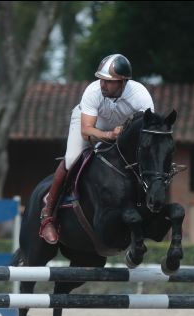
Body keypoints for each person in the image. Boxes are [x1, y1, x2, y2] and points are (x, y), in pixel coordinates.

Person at [39, 53, 155, 244]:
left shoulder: (140, 96)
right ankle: (48, 214)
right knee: (72, 157)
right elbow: (86, 131)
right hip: (89, 124)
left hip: (120, 130)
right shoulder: (93, 91)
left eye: (108, 81)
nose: (102, 84)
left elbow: (146, 131)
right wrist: (110, 135)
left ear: (123, 82)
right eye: (101, 79)